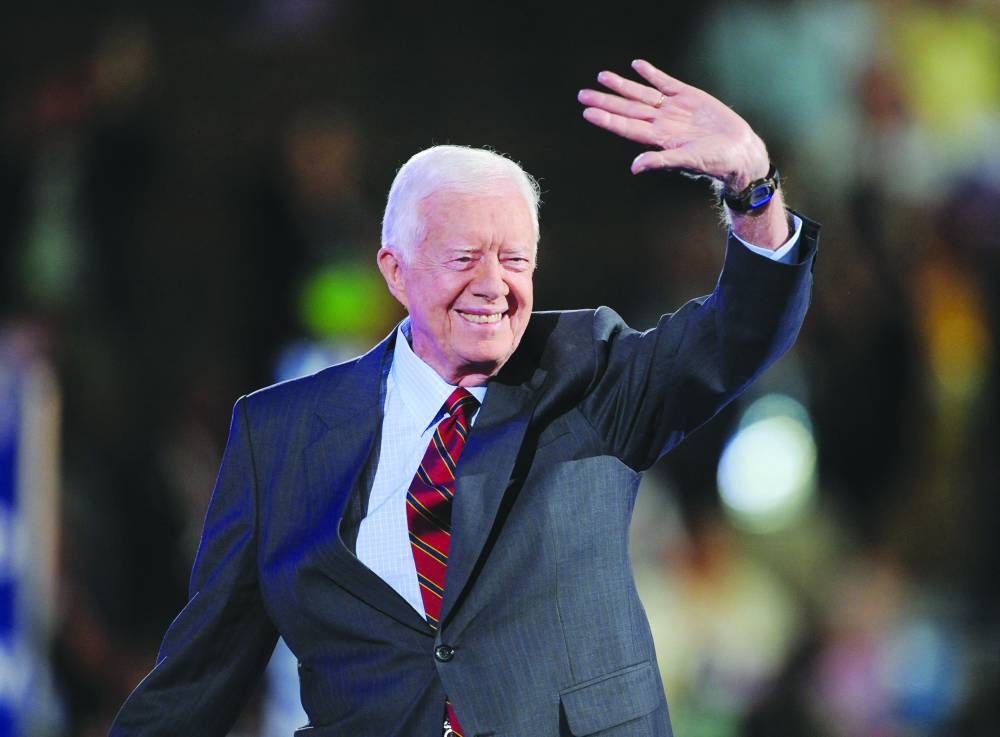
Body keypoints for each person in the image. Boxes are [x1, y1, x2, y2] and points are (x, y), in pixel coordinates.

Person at [109, 59, 818, 737]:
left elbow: (736, 336)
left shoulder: (591, 375)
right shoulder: (279, 436)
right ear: (395, 269)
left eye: (514, 258)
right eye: (462, 257)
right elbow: (198, 677)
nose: (493, 284)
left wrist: (753, 188)